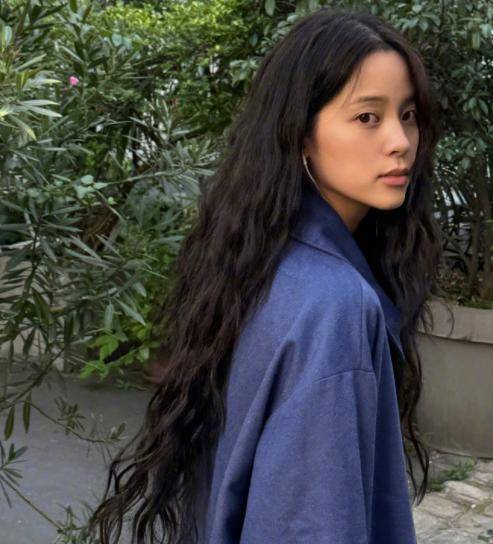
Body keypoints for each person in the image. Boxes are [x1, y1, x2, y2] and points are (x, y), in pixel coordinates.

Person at [89, 7, 442, 543]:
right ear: (300, 133)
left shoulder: (254, 259)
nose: (400, 141)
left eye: (408, 114)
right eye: (368, 117)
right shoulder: (335, 305)